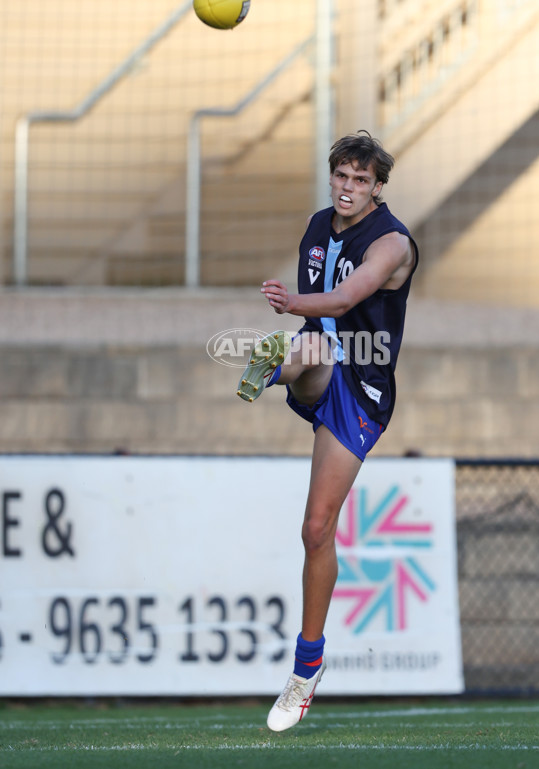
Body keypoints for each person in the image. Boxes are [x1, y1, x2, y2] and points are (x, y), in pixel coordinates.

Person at [236, 131, 418, 731]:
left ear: (378, 188)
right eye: (341, 175)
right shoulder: (318, 225)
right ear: (332, 176)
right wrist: (295, 309)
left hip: (363, 390)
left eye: (360, 180)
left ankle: (306, 670)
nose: (347, 187)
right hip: (321, 361)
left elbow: (341, 299)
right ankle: (271, 369)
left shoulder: (391, 243)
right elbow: (318, 312)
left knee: (317, 529)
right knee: (311, 344)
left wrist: (293, 303)